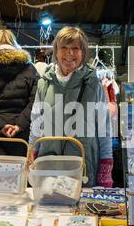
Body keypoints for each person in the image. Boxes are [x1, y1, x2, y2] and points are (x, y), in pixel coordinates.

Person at [29, 26, 113, 187]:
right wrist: (31, 154)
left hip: (83, 168)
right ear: (56, 51)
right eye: (64, 48)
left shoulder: (93, 84)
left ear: (83, 52)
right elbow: (36, 124)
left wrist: (106, 168)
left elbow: (104, 129)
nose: (70, 53)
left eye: (75, 48)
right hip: (49, 167)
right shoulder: (44, 84)